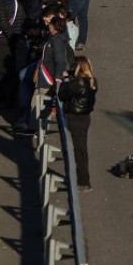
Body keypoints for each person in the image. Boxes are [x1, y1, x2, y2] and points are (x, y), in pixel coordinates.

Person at [58, 56, 98, 190]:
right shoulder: (92, 81)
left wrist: (64, 80)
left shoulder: (78, 83)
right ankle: (83, 179)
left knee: (79, 150)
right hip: (85, 118)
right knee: (81, 149)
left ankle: (83, 181)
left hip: (75, 118)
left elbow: (62, 94)